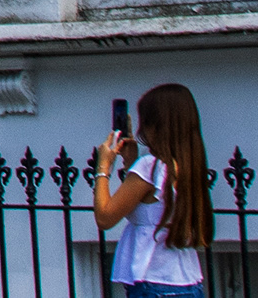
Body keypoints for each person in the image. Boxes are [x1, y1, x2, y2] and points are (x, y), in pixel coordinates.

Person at [91, 83, 213, 298]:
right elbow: (153, 206)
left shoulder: (150, 166)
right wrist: (131, 164)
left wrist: (103, 167)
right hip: (188, 282)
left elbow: (105, 218)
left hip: (153, 281)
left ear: (155, 125)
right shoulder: (188, 167)